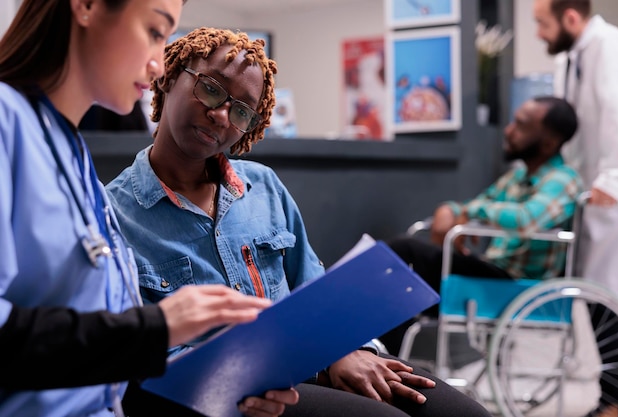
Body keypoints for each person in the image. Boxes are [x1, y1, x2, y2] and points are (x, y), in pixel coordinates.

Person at [106, 27, 492, 417]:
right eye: (211, 89)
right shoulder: (113, 214)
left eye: (242, 111)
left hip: (309, 363)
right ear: (170, 77)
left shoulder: (263, 187)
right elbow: (142, 351)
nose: (221, 115)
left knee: (462, 413)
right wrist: (323, 368)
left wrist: (348, 350)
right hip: (224, 395)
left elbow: (313, 289)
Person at [0, 1, 300, 417]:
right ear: (86, 7)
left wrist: (230, 385)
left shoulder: (69, 154)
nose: (159, 65)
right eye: (156, 33)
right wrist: (158, 328)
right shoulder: (7, 125)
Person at [378, 96, 583, 355]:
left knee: (404, 253)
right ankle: (383, 359)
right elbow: (474, 204)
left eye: (520, 125)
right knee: (396, 274)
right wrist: (448, 209)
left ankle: (384, 361)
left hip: (518, 285)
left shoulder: (564, 180)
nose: (509, 130)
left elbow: (524, 219)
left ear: (549, 143)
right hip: (494, 274)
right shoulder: (518, 177)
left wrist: (467, 211)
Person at [534, 1, 618, 415]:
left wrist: (614, 178)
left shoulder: (611, 48)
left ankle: (613, 401)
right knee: (595, 299)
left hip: (614, 196)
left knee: (610, 302)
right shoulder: (572, 58)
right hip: (587, 194)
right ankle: (611, 398)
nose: (539, 33)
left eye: (543, 23)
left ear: (571, 18)